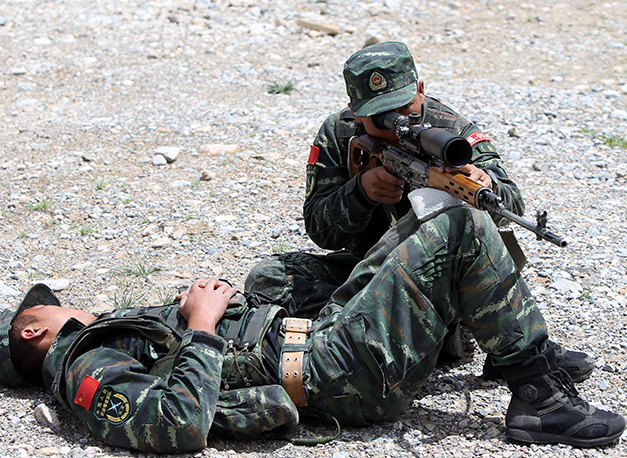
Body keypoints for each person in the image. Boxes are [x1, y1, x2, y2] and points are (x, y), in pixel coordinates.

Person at [0, 206, 626, 454]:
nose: (76, 307)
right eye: (55, 307)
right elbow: (170, 424)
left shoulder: (99, 348)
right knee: (457, 231)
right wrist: (204, 327)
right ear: (34, 331)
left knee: (412, 227)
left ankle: (503, 341)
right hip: (326, 373)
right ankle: (537, 395)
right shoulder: (85, 367)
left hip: (312, 346)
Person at [246, 40, 593, 382]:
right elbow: (321, 230)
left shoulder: (453, 133)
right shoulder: (339, 134)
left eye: (406, 110)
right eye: (381, 118)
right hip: (371, 270)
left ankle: (444, 337)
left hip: (441, 278)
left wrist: (483, 183)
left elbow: (510, 206)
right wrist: (361, 193)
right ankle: (420, 336)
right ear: (355, 111)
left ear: (421, 90)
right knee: (270, 278)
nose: (397, 125)